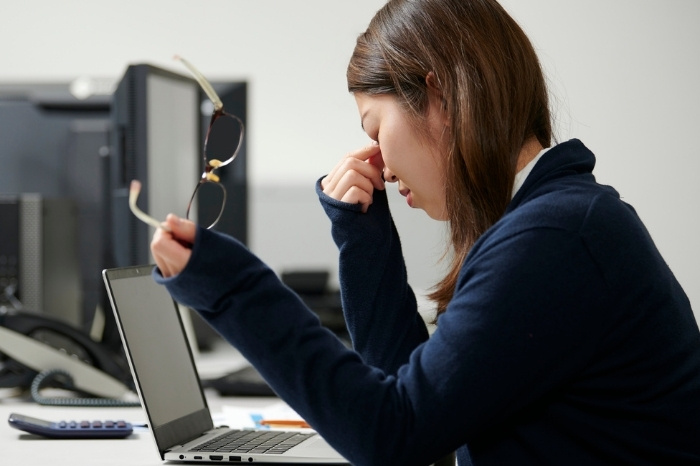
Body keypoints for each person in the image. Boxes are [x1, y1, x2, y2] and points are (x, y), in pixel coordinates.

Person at [150, 0, 700, 464]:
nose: (379, 163)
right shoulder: (555, 219)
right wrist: (362, 238)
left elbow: (394, 436)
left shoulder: (555, 237)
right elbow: (418, 409)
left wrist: (231, 287)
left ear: (439, 98)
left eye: (374, 127)